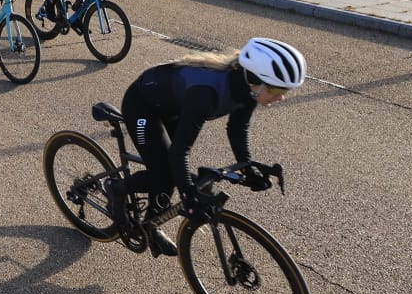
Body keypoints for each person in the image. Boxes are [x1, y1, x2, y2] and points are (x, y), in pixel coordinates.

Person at [109, 38, 307, 256]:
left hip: (173, 107)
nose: (280, 98)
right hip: (142, 105)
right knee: (164, 175)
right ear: (254, 80)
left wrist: (248, 168)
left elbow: (237, 129)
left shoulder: (246, 91)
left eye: (284, 92)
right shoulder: (206, 94)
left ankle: (150, 226)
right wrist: (189, 199)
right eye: (277, 90)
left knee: (173, 174)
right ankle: (117, 188)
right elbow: (179, 153)